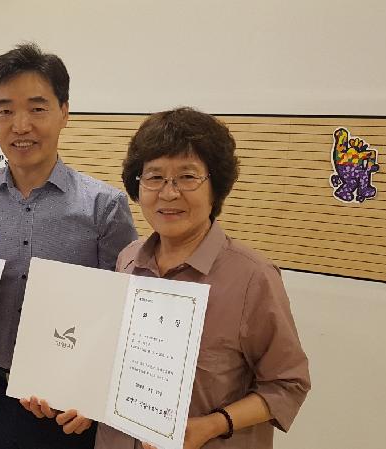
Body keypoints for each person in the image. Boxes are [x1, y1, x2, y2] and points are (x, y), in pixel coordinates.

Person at [0, 43, 139, 449]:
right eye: (5, 110)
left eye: (37, 108)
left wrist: (94, 395)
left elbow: (120, 312)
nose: (21, 125)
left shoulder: (103, 206)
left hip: (69, 404)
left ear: (64, 112)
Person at [94, 107, 311, 448]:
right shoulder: (129, 259)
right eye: (154, 177)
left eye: (187, 176)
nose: (169, 193)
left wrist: (211, 425)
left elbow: (288, 383)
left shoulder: (252, 278)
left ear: (216, 186)